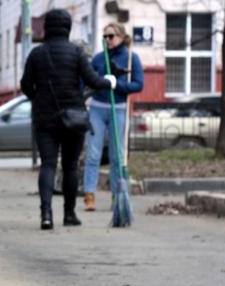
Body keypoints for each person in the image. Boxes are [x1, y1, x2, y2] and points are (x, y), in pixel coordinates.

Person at [21, 9, 116, 230]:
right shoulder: (75, 52)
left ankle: (46, 215)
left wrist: (39, 99)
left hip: (44, 119)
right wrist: (110, 81)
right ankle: (69, 214)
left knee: (48, 164)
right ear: (67, 27)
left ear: (47, 27)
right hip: (73, 118)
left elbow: (26, 85)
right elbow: (92, 79)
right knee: (71, 167)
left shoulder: (36, 54)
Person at [82, 23, 143, 211]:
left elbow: (138, 85)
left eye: (111, 36)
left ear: (121, 37)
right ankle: (89, 194)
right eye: (105, 36)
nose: (107, 40)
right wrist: (99, 83)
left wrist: (117, 85)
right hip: (98, 108)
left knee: (117, 155)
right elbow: (86, 79)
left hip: (119, 108)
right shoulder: (99, 59)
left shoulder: (131, 58)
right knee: (93, 153)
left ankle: (117, 195)